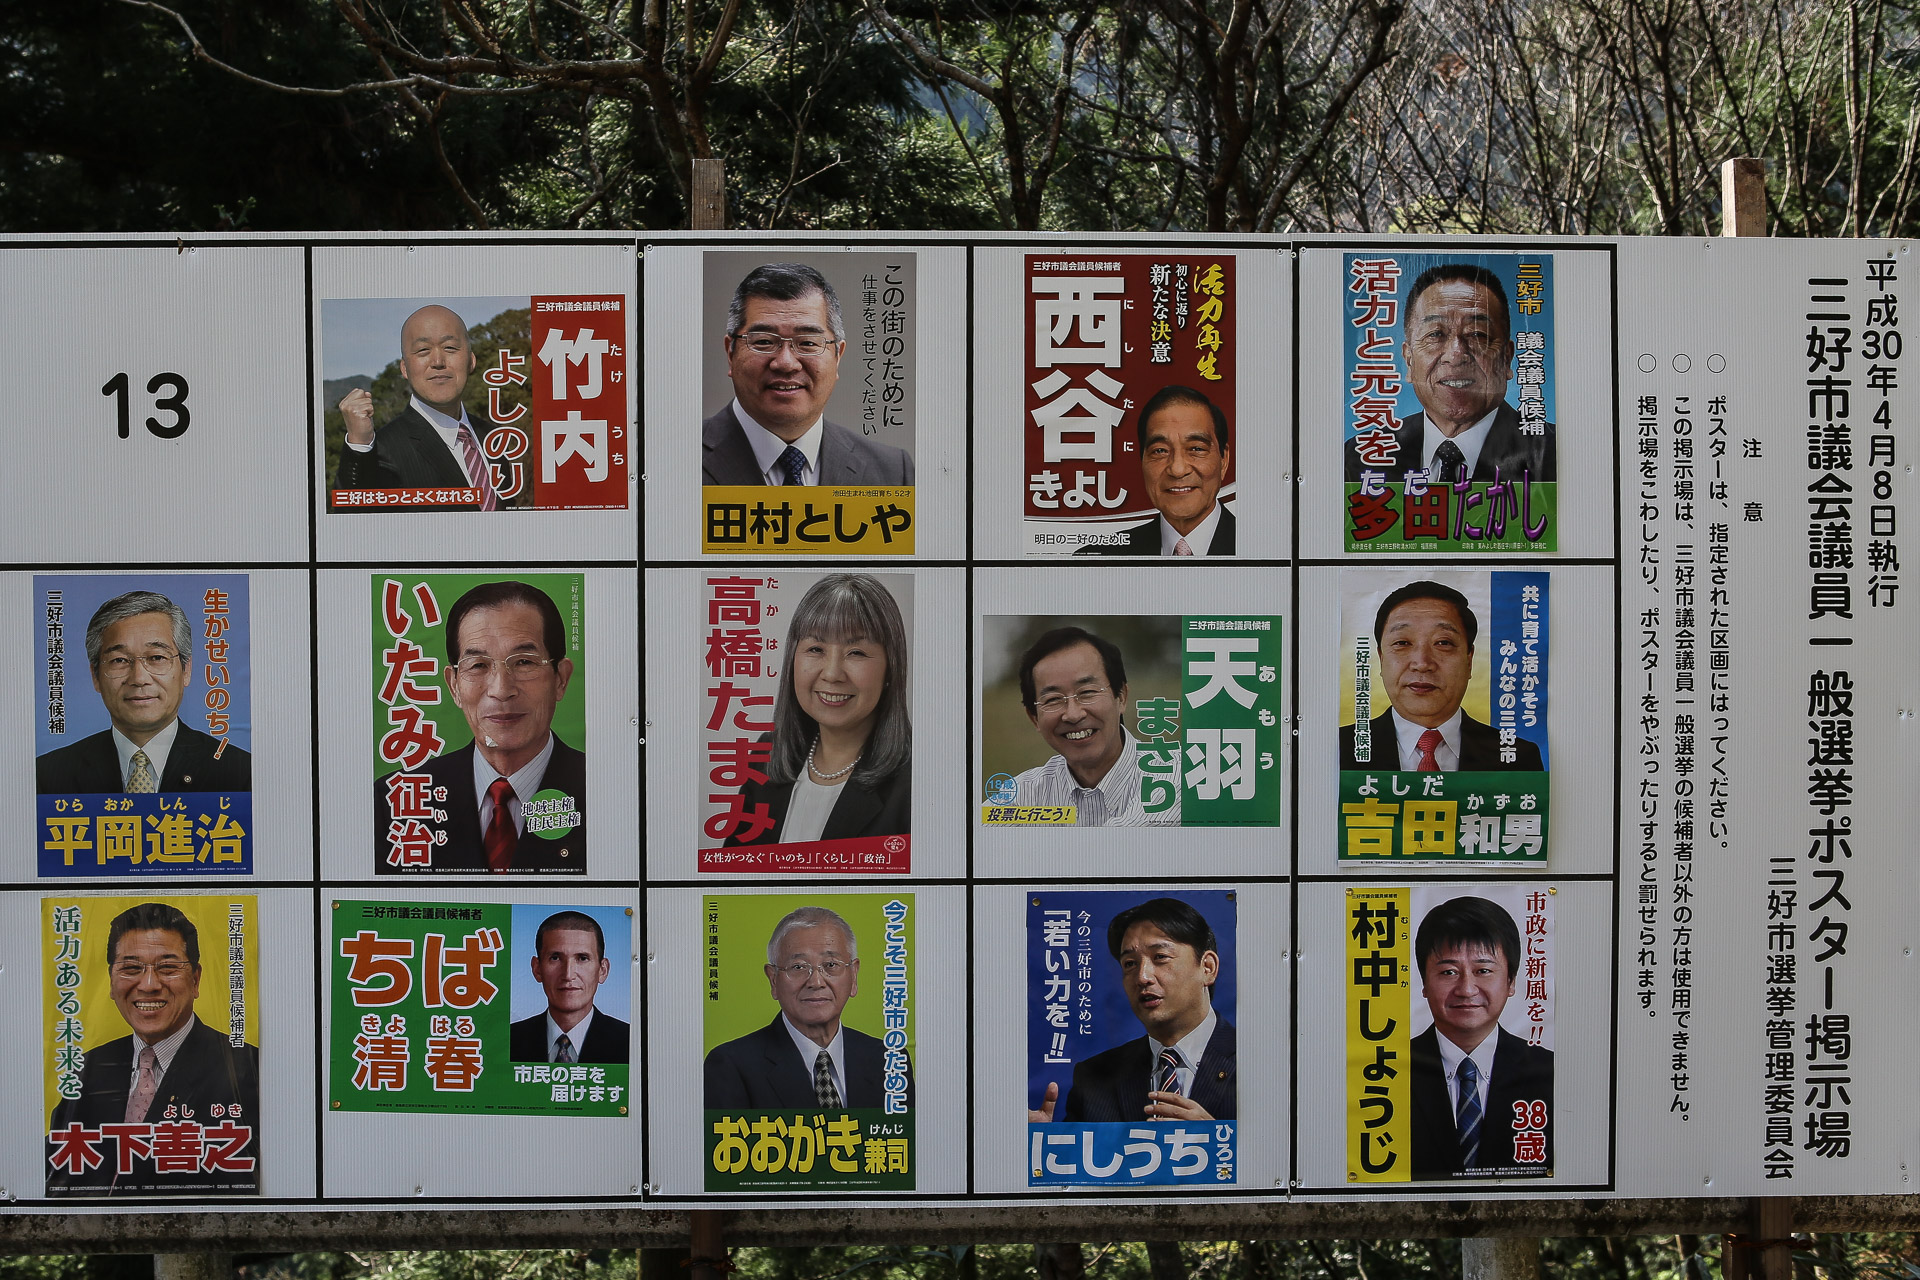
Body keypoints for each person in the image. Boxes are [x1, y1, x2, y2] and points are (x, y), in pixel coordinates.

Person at [48, 902, 261, 1194]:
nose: (148, 984)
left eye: (168, 967)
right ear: (111, 981)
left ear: (196, 979)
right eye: (131, 968)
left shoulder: (248, 1067)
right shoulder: (84, 1069)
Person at [373, 580, 586, 872]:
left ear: (560, 679)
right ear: (454, 686)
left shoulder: (606, 790)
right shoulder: (394, 800)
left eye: (524, 661)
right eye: (478, 665)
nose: (501, 689)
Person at [724, 574, 911, 847]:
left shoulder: (920, 780)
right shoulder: (766, 755)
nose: (832, 673)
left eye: (856, 652)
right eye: (816, 648)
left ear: (890, 669)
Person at [702, 263, 914, 487]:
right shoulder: (676, 456)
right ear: (730, 352)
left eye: (807, 343)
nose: (785, 363)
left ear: (837, 355)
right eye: (764, 342)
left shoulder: (892, 471)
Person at [1343, 263, 1555, 484]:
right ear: (1409, 360)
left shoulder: (1554, 453)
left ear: (1507, 357)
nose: (1455, 354)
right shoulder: (1359, 458)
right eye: (1435, 334)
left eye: (1477, 334)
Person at [1028, 897, 1235, 1124]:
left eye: (1160, 957)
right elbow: (1078, 1158)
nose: (1142, 977)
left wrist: (1217, 1142)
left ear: (1207, 968)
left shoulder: (1257, 1060)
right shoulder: (1094, 1078)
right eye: (1130, 964)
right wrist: (1044, 1144)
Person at [37, 591, 252, 794]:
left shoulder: (240, 773)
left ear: (186, 670)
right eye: (119, 660)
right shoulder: (48, 777)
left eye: (157, 658)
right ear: (96, 676)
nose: (139, 678)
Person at [703, 905, 915, 1109]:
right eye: (798, 967)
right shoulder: (730, 1067)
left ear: (854, 975)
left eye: (831, 965)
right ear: (773, 980)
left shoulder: (890, 1061)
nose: (816, 982)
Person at [1407, 896, 1553, 1179]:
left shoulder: (1550, 1071)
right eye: (1448, 972)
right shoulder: (1385, 1072)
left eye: (1483, 970)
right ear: (1424, 982)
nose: (1466, 989)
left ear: (1510, 982)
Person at [1339, 581, 1544, 772]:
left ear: (1469, 659)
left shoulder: (1519, 757)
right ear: (1381, 658)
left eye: (1443, 643)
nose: (1422, 664)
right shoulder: (1338, 748)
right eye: (1402, 643)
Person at [334, 304, 504, 508]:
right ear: (405, 368)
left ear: (471, 360)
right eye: (423, 350)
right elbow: (352, 522)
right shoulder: (382, 449)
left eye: (450, 347)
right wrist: (359, 444)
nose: (438, 361)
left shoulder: (496, 438)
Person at [1004, 627, 1178, 825]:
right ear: (1034, 717)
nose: (1073, 714)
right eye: (1053, 699)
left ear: (1121, 697)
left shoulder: (1185, 776)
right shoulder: (1018, 797)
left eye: (1087, 692)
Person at [1076, 385, 1236, 556]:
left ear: (1223, 459)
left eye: (1196, 449)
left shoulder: (1260, 547)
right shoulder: (1099, 558)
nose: (1177, 469)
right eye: (1160, 451)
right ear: (1142, 460)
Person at [509, 911, 630, 1064]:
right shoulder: (507, 1041)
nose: (568, 974)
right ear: (537, 968)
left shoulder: (631, 1041)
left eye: (582, 958)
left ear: (603, 970)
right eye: (555, 958)